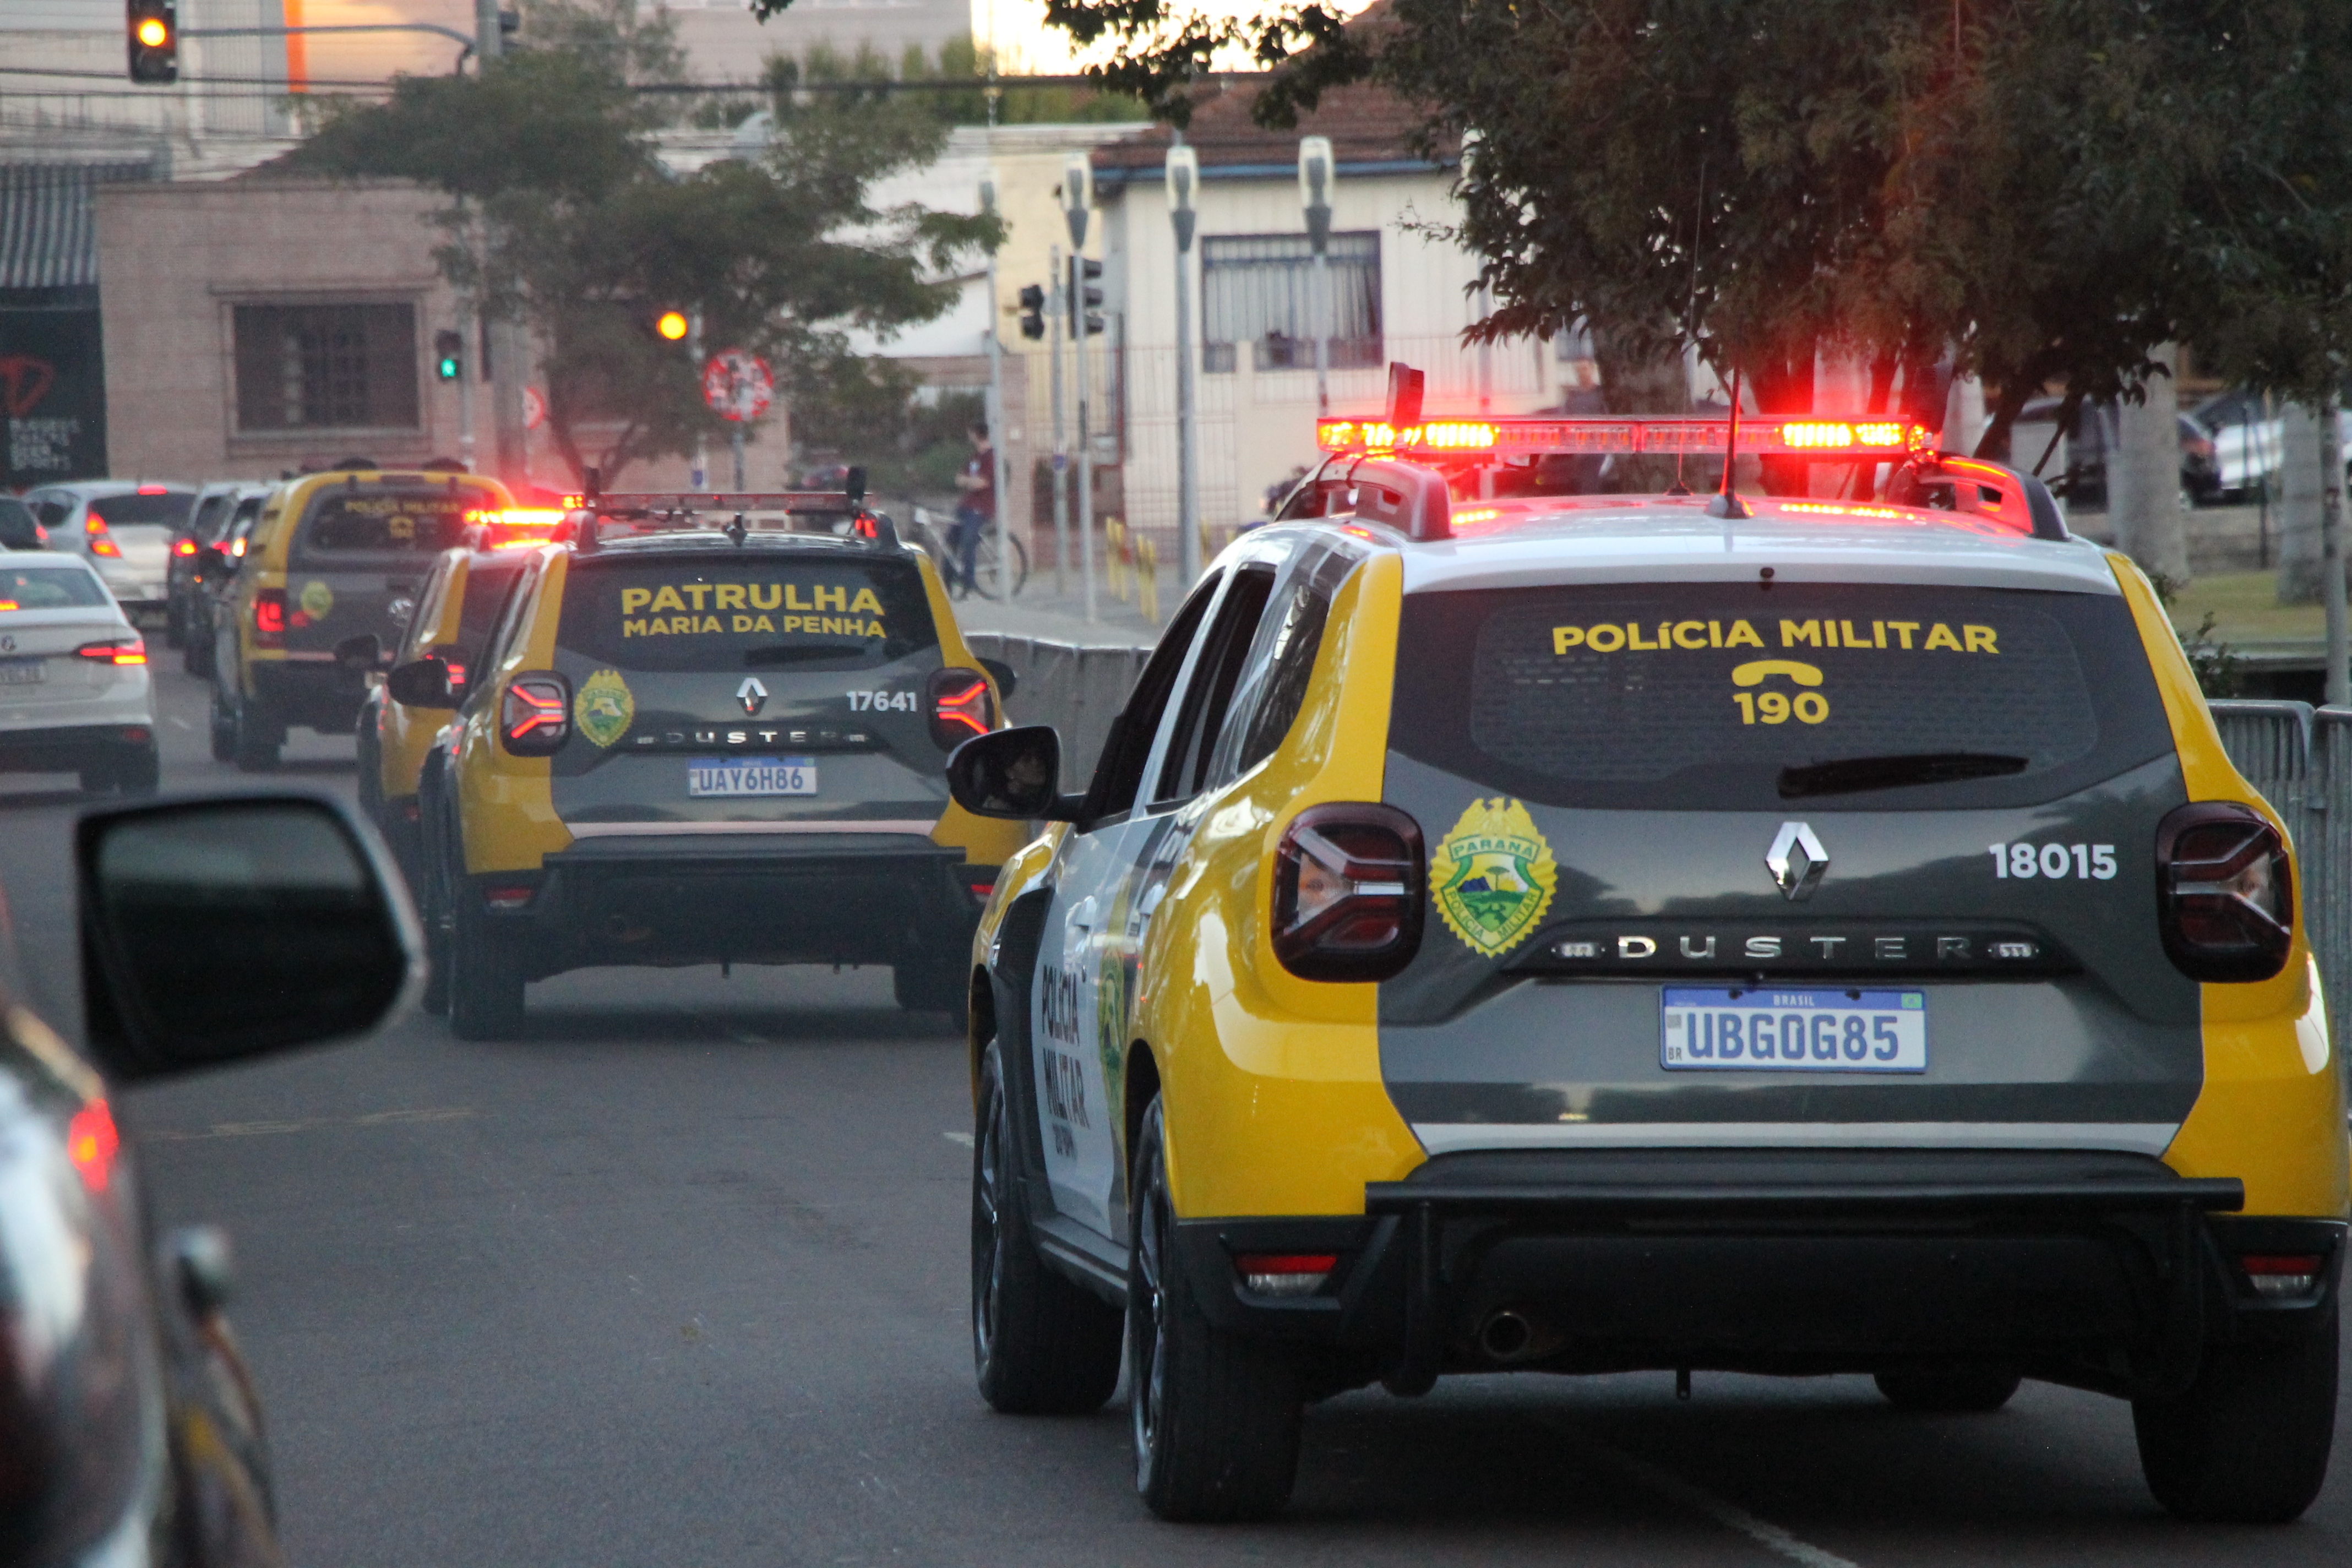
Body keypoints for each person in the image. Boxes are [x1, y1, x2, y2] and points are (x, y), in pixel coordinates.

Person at [950, 420, 995, 598]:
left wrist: (969, 481)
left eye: (971, 433)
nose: (969, 436)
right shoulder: (975, 457)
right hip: (966, 505)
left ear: (977, 434)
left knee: (968, 541)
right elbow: (959, 479)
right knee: (950, 541)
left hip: (981, 507)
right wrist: (971, 481)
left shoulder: (991, 457)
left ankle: (969, 583)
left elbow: (982, 483)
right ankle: (947, 583)